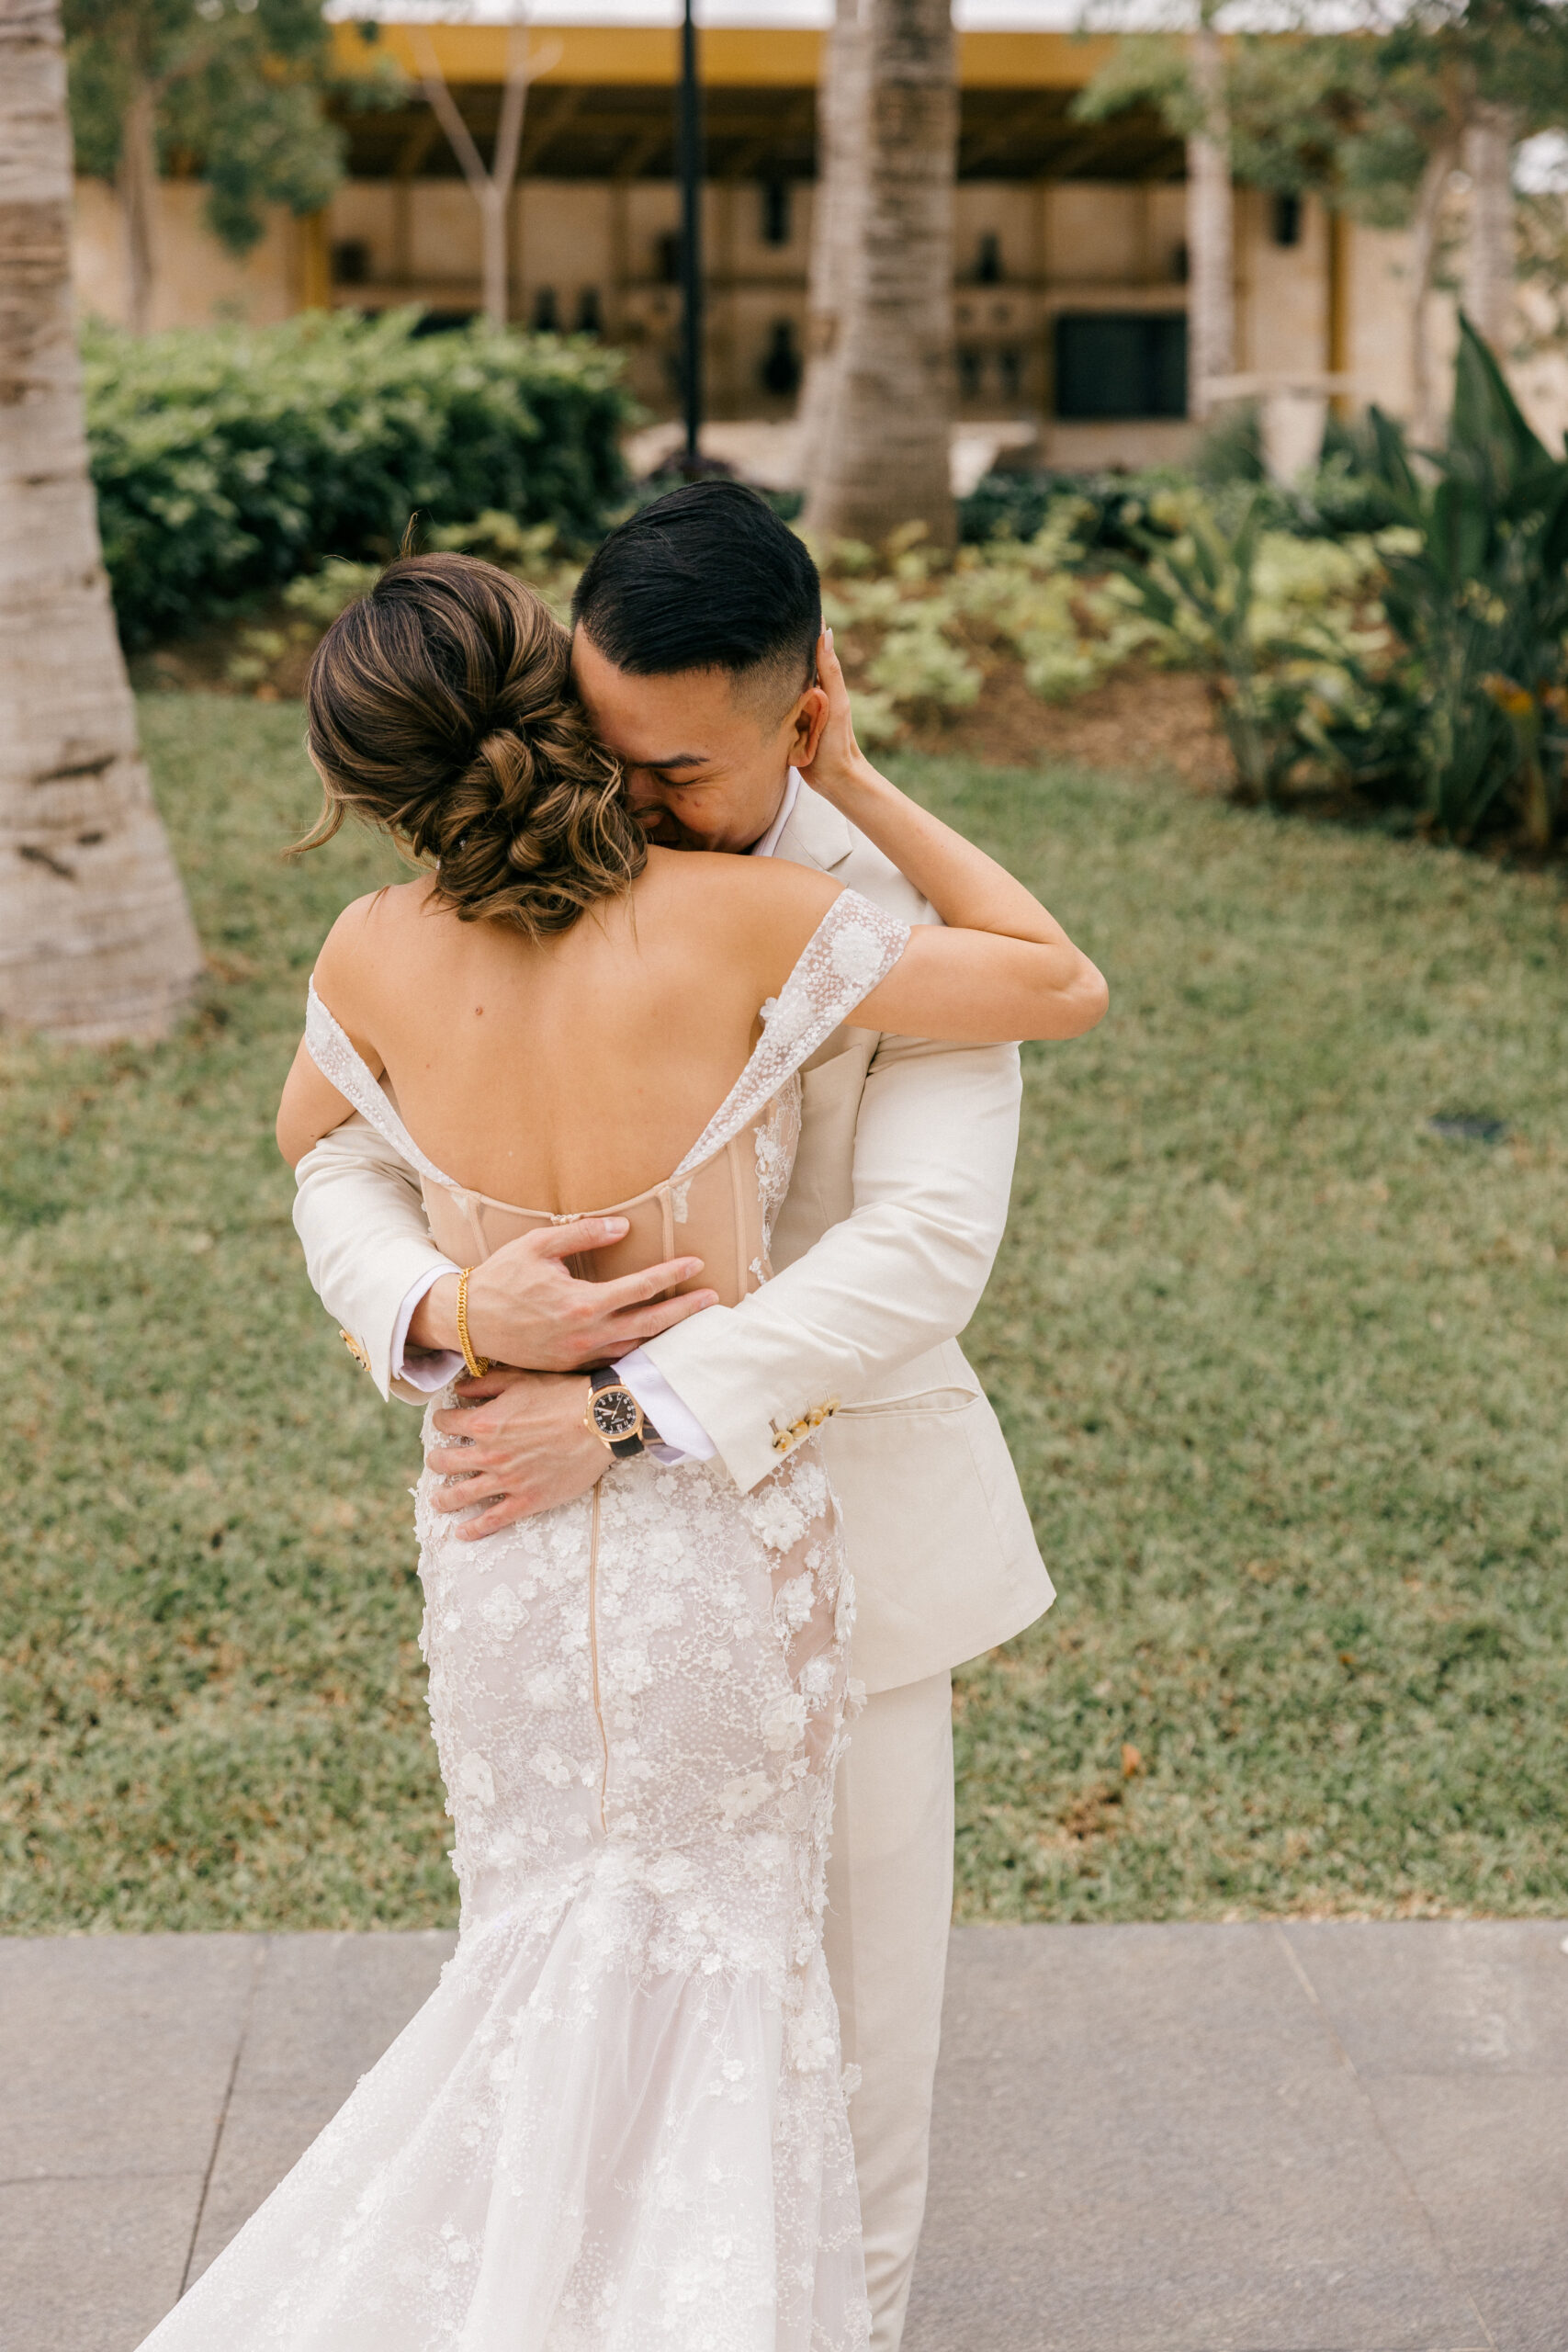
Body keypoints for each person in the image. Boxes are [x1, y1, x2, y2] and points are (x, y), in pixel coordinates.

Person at [283, 487, 1100, 2349]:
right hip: (549, 1560)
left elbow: (916, 1252)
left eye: (677, 766)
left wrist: (628, 1409)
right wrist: (444, 1301)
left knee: (843, 2048)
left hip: (847, 1556)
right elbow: (334, 1156)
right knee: (587, 2008)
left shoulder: (878, 916)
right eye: (601, 743)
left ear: (806, 701)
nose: (626, 798)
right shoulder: (519, 888)